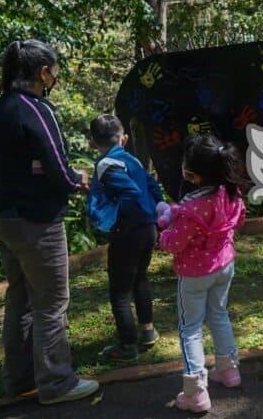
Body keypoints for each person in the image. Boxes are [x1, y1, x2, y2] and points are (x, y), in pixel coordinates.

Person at [0, 39, 99, 405]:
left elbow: (20, 164)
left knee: (20, 297)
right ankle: (56, 382)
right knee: (51, 301)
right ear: (41, 72)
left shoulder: (0, 109)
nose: (56, 75)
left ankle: (18, 379)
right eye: (54, 68)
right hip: (35, 219)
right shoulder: (36, 108)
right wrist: (77, 180)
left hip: (0, 216)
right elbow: (57, 166)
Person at [158, 134, 246, 413]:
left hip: (195, 273)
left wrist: (164, 230)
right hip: (225, 265)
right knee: (219, 314)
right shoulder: (231, 193)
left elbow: (173, 243)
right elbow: (239, 220)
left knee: (190, 328)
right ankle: (229, 371)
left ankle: (196, 392)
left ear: (191, 174)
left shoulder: (190, 208)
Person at [87, 114, 165, 361]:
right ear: (124, 138)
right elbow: (151, 187)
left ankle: (128, 345)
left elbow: (129, 193)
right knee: (139, 279)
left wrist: (114, 216)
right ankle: (148, 331)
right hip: (147, 228)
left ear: (92, 142)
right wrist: (156, 210)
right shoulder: (133, 160)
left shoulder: (106, 164)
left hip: (128, 231)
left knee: (119, 291)